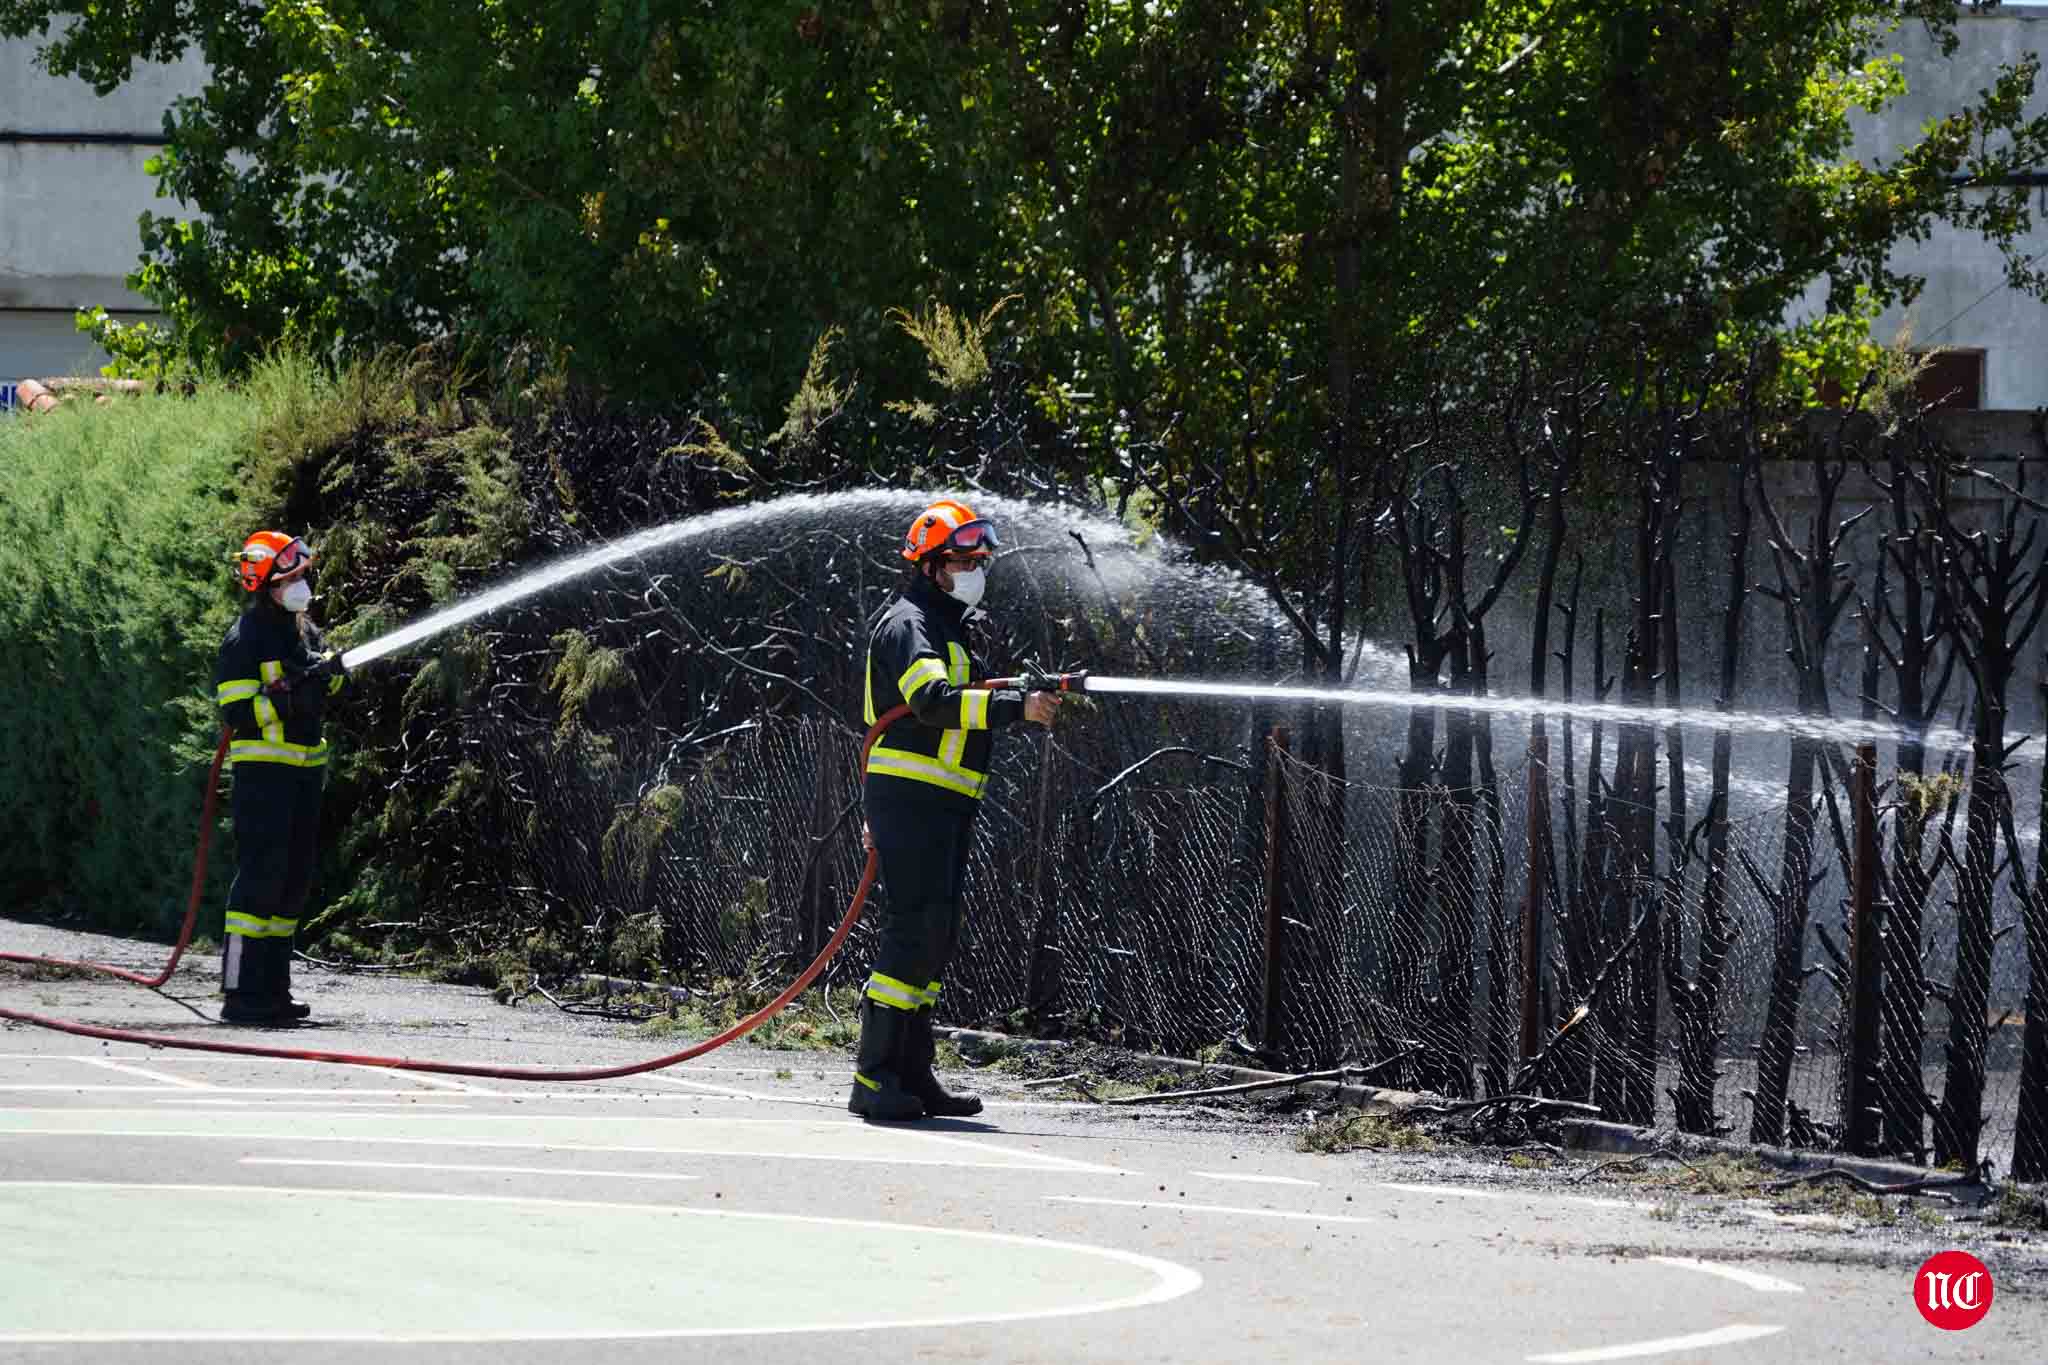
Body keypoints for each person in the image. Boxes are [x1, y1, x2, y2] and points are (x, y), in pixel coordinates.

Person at [850, 499, 1060, 1120]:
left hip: (944, 801)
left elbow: (963, 694)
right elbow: (934, 701)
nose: (976, 572)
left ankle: (914, 1074)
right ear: (931, 565)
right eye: (965, 562)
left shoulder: (946, 626)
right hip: (910, 799)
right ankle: (874, 1078)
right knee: (912, 928)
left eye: (981, 562)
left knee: (935, 934)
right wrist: (1014, 708)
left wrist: (1019, 690)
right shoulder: (909, 623)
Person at [213, 531, 346, 1025]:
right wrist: (286, 702)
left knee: (292, 881)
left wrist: (334, 673)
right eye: (291, 578)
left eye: (303, 576)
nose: (301, 586)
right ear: (265, 583)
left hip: (305, 772)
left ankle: (273, 992)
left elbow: (324, 683)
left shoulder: (305, 632)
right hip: (264, 775)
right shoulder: (245, 638)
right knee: (260, 879)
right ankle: (239, 994)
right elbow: (235, 710)